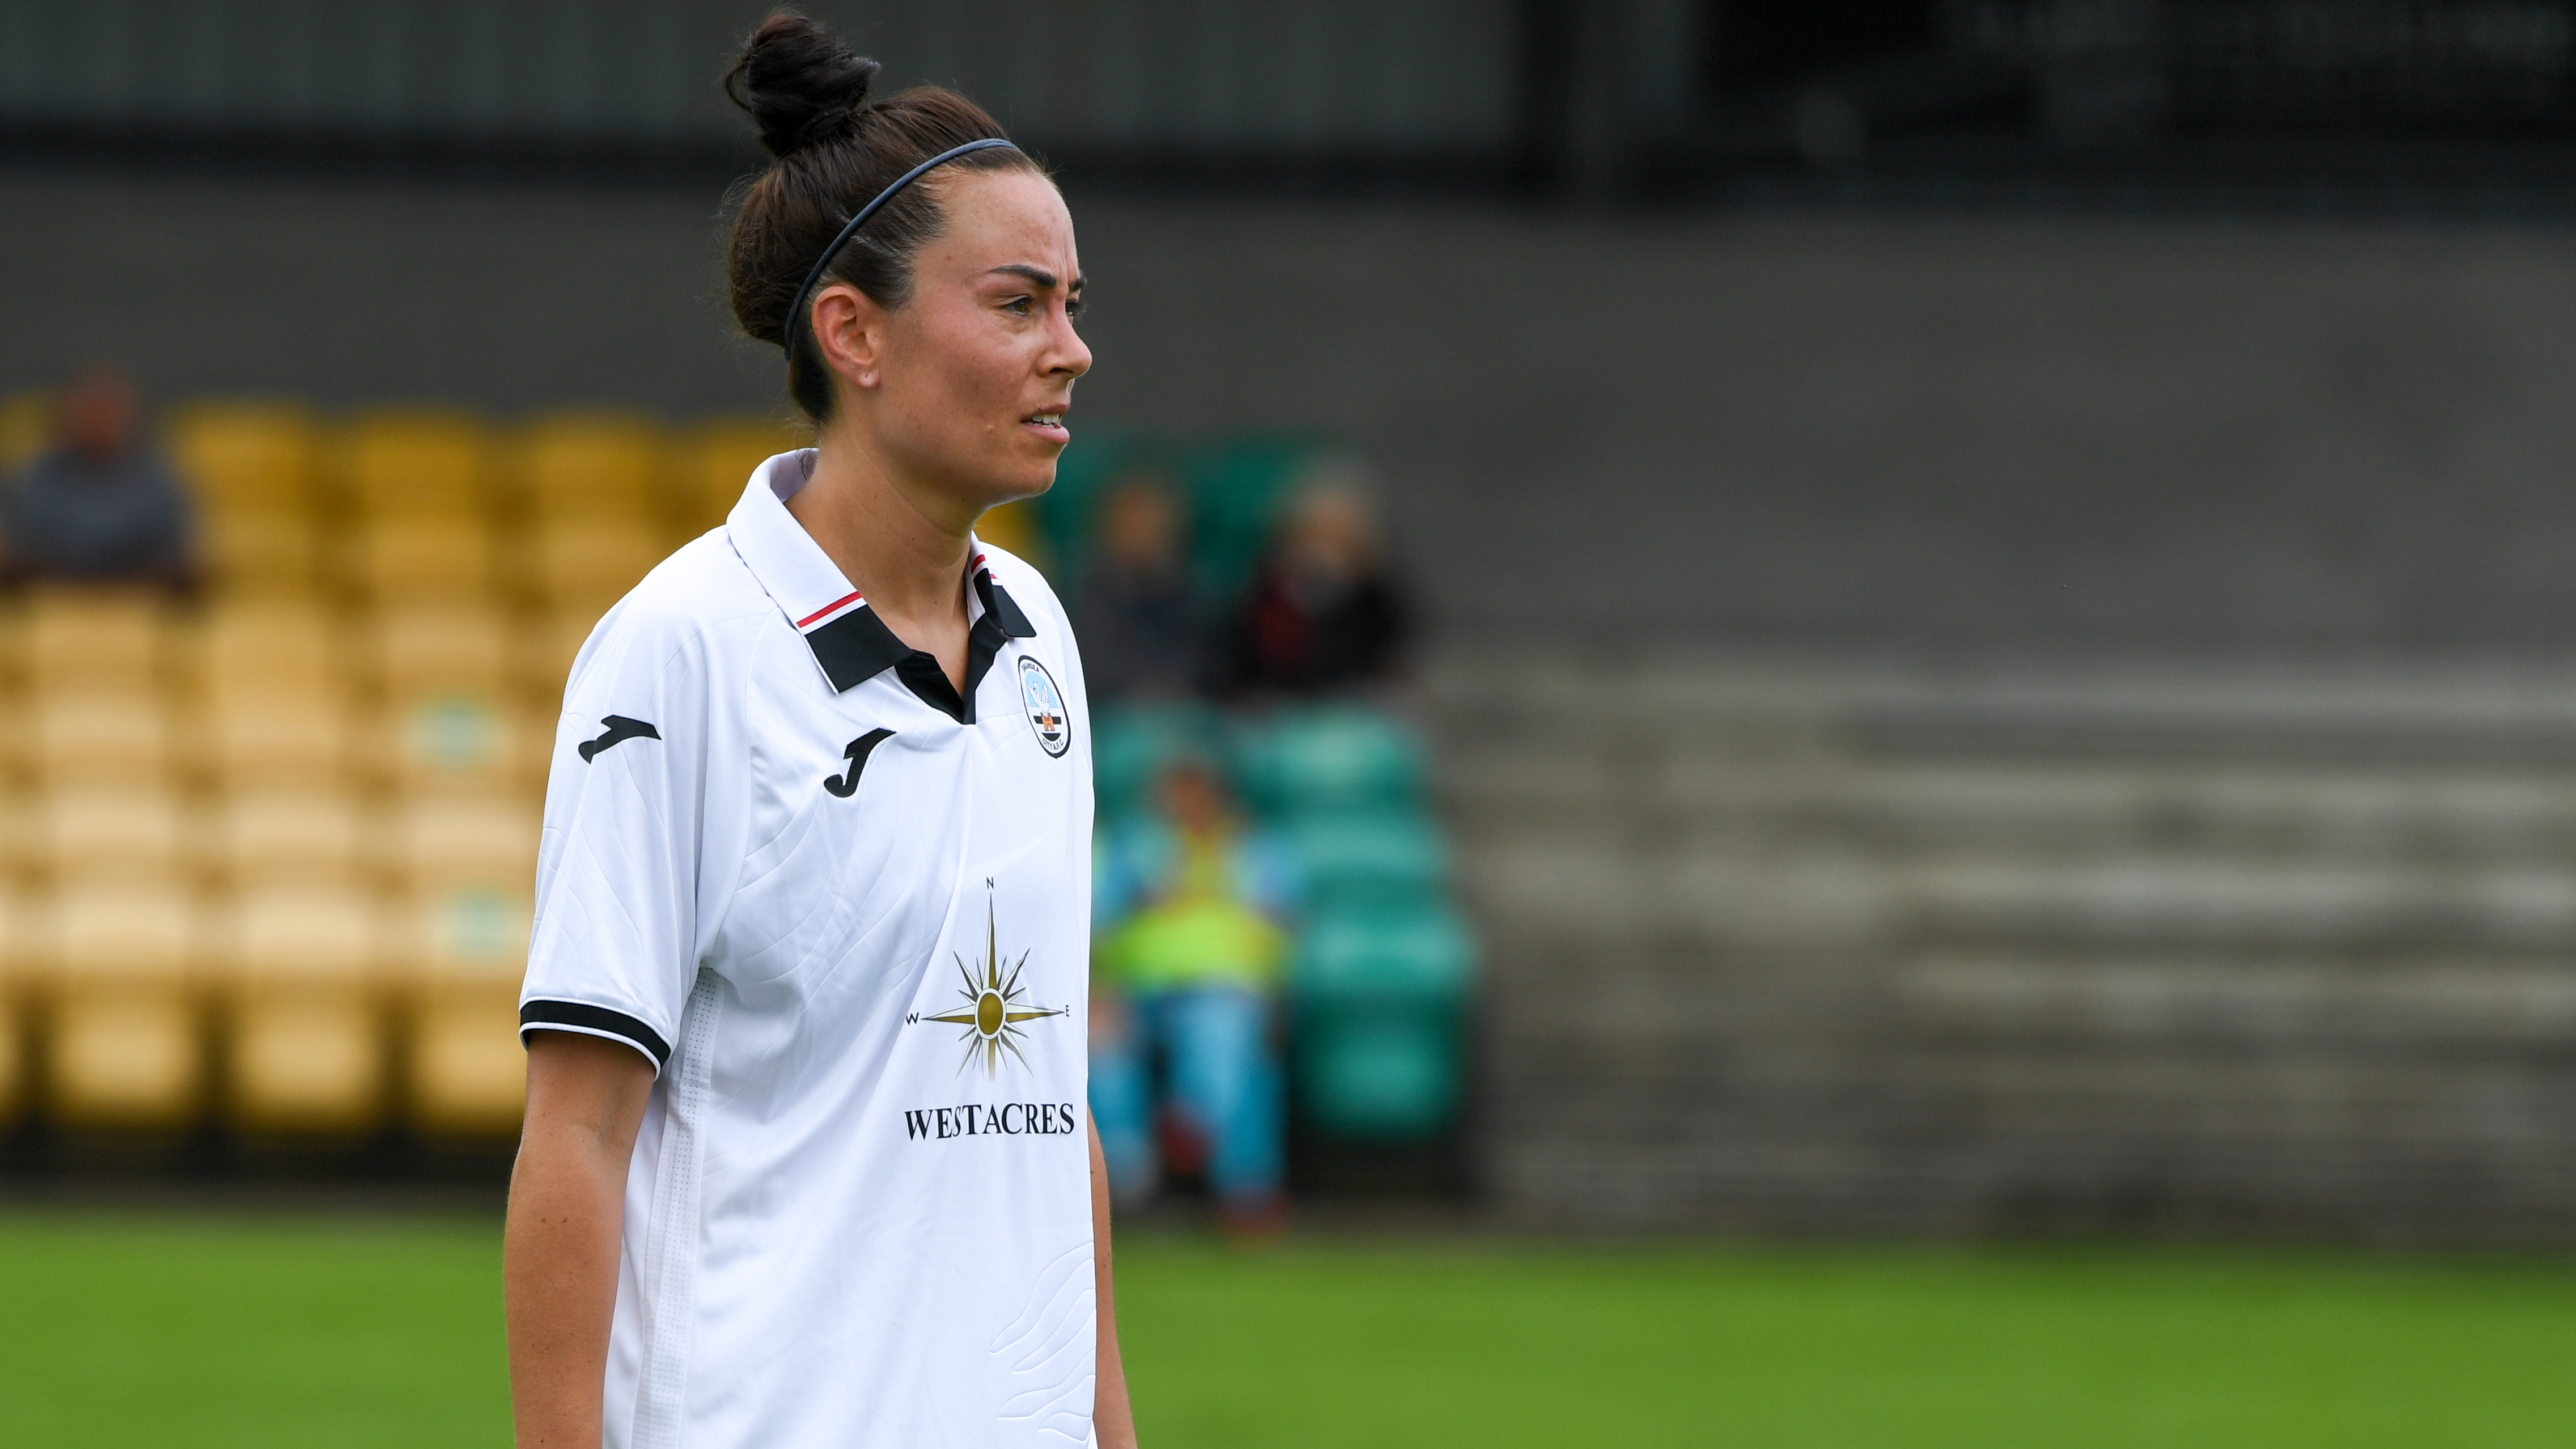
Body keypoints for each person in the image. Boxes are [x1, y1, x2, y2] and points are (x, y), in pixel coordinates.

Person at [503, 15, 1134, 1448]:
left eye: (1075, 304)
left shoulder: (1041, 639)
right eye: (1021, 303)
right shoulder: (679, 653)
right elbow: (580, 1136)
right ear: (852, 330)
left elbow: (1044, 1094)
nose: (1074, 352)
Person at [1090, 754, 1298, 1235]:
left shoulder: (1259, 852)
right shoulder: (1135, 849)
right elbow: (1098, 926)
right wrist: (1099, 989)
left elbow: (1286, 929)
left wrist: (1280, 998)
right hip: (1137, 992)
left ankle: (1224, 1163)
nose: (1181, 804)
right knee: (1099, 1046)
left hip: (1230, 990)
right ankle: (1124, 1181)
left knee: (1225, 1037)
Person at [1210, 467, 1406, 700]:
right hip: (1274, 707)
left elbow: (1384, 661)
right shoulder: (1264, 592)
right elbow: (1240, 662)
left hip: (1352, 708)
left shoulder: (1377, 599)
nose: (1323, 546)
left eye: (1337, 534)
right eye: (1316, 532)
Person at [1, 366, 196, 593]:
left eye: (107, 410)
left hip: (137, 608)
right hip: (53, 606)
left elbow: (176, 557)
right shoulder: (37, 477)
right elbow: (22, 552)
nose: (97, 421)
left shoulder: (158, 480)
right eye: (88, 410)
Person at [1067, 467, 1202, 704]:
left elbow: (1205, 669)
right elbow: (1092, 672)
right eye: (1132, 521)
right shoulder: (1087, 600)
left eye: (1149, 521)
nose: (1141, 530)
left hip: (1182, 716)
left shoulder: (1190, 599)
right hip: (1113, 719)